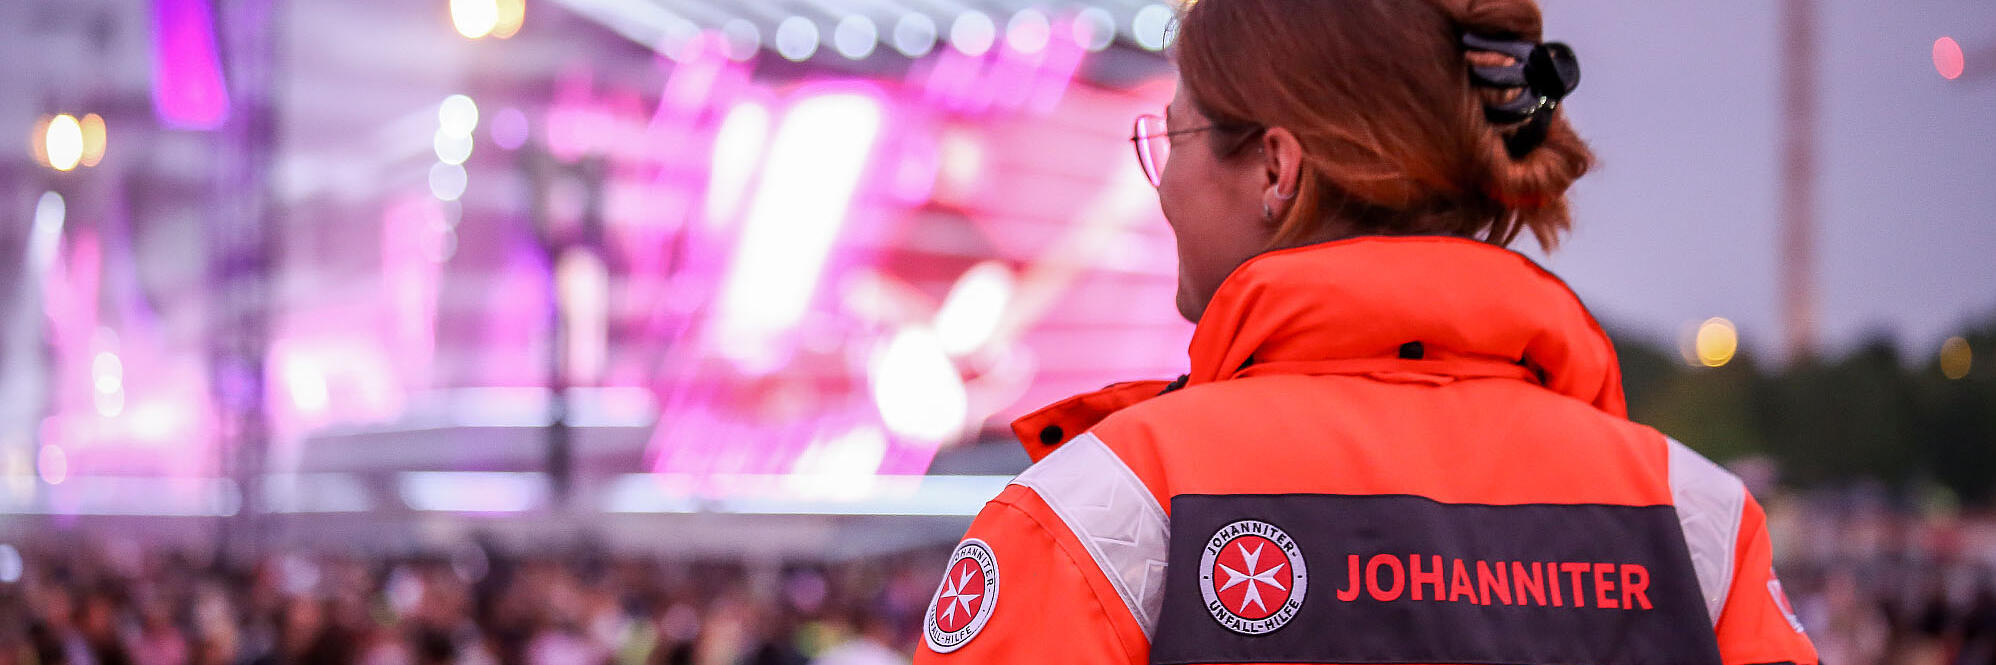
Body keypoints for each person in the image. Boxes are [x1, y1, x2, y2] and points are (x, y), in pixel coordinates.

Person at [912, 0, 1823, 664]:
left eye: (1171, 138)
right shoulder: (1695, 518)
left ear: (1276, 168)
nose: (1162, 184)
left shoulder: (1099, 513)